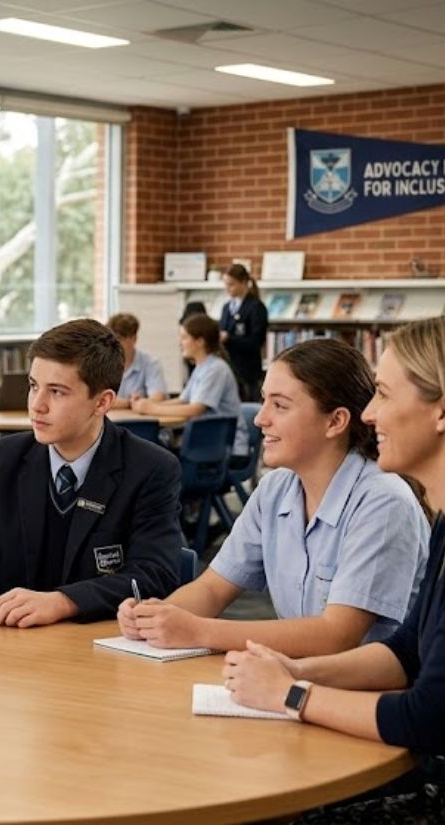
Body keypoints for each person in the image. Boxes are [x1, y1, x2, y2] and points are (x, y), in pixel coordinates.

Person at [224, 317, 445, 821]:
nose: (369, 413)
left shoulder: (386, 500)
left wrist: (290, 693)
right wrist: (296, 670)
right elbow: (406, 652)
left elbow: (428, 717)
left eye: (383, 394)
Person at [117, 339, 429, 655]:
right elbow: (212, 588)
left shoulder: (383, 502)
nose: (260, 419)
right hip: (296, 674)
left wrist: (199, 630)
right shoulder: (275, 489)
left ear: (335, 421)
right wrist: (154, 618)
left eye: (280, 406)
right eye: (263, 401)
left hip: (365, 684)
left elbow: (337, 635)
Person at [0, 319, 182, 627]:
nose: (37, 405)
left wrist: (64, 601)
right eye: (33, 386)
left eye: (57, 392)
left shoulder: (151, 468)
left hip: (98, 642)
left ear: (102, 402)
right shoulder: (3, 458)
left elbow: (153, 575)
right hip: (11, 642)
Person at [133, 313, 248, 459]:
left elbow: (195, 409)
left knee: (156, 457)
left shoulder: (216, 369)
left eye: (184, 337)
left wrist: (151, 409)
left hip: (226, 449)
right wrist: (147, 403)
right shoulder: (201, 367)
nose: (180, 343)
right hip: (207, 445)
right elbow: (182, 400)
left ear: (200, 342)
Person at [219, 263, 268, 401]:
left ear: (244, 283)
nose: (227, 289)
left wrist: (229, 338)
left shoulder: (256, 307)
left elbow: (256, 341)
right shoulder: (227, 307)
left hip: (248, 369)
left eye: (231, 284)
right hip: (230, 366)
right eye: (226, 284)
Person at [105, 312, 167, 409]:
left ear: (134, 339)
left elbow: (158, 398)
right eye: (111, 339)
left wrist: (118, 403)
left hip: (139, 418)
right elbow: (97, 400)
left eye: (119, 338)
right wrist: (130, 403)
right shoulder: (102, 364)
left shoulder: (151, 363)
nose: (114, 344)